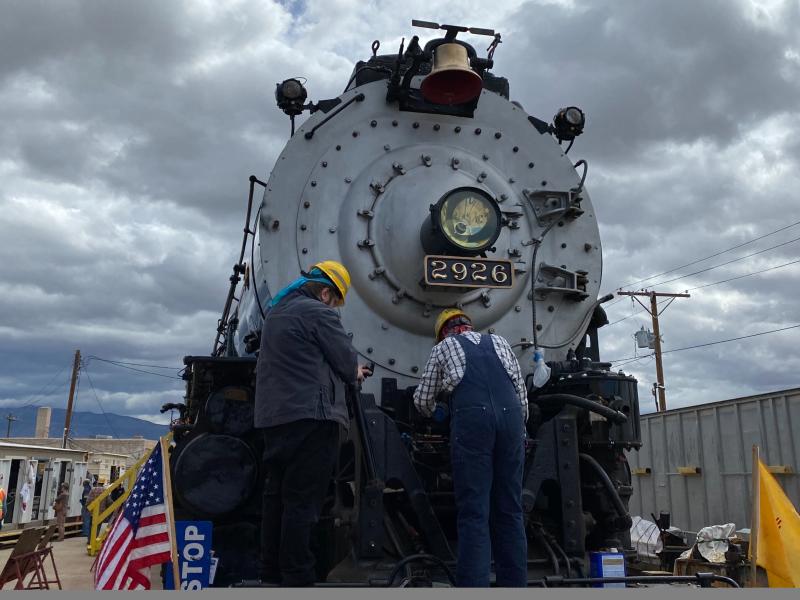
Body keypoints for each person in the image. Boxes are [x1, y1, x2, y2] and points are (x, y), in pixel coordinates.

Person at [255, 260, 370, 587]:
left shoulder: (276, 313)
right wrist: (357, 372)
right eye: (336, 300)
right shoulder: (319, 313)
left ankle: (271, 572)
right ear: (325, 293)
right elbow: (347, 365)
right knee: (303, 502)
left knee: (276, 498)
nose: (335, 307)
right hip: (312, 417)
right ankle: (298, 576)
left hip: (274, 418)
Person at [413, 309, 529, 587]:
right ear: (469, 326)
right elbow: (521, 396)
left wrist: (437, 411)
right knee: (511, 510)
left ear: (443, 332)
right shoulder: (500, 342)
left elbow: (422, 401)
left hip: (473, 421)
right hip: (512, 419)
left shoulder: (444, 347)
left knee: (475, 512)